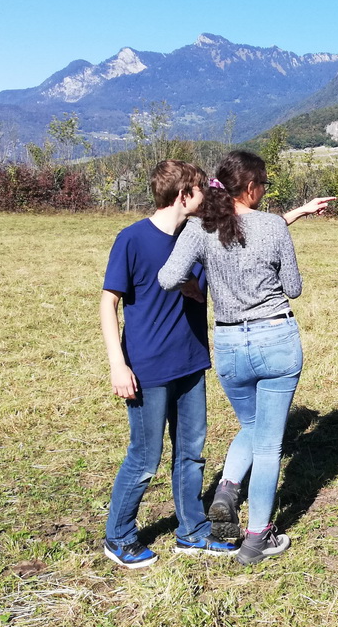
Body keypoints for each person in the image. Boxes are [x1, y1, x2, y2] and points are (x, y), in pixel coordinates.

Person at [158, 150, 334, 565]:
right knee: (268, 444)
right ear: (252, 188)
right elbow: (293, 288)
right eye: (264, 185)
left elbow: (167, 277)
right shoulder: (272, 226)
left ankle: (227, 488)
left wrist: (195, 290)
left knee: (252, 427)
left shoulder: (201, 227)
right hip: (275, 339)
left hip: (229, 344)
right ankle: (257, 538)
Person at [101, 159, 238, 568]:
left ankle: (192, 531)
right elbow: (108, 304)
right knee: (145, 459)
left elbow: (254, 235)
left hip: (191, 364)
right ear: (183, 195)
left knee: (191, 453)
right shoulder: (132, 239)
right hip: (148, 369)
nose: (206, 194)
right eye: (200, 188)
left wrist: (295, 215)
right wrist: (118, 365)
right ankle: (119, 537)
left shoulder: (197, 237)